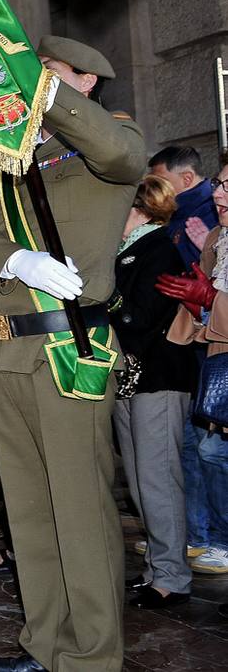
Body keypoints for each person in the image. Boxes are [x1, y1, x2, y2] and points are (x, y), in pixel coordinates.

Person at [0, 35, 144, 672]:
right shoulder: (7, 163)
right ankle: (46, 641)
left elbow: (121, 153)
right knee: (30, 513)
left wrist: (43, 90)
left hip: (71, 349)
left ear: (84, 84)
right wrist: (16, 258)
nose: (26, 81)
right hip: (6, 354)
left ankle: (92, 655)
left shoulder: (106, 142)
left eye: (48, 74)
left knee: (80, 510)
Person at [111, 175, 198, 609]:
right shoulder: (126, 250)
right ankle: (157, 570)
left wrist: (102, 297)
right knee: (140, 479)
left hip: (157, 376)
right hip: (130, 374)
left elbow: (140, 316)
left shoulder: (158, 248)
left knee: (158, 478)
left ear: (140, 209)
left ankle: (173, 577)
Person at [163, 155, 228, 579]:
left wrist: (209, 300)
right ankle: (215, 540)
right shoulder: (217, 239)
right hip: (218, 358)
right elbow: (205, 305)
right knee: (207, 448)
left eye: (226, 187)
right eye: (219, 185)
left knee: (212, 450)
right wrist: (198, 305)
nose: (217, 194)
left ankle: (220, 541)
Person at [149, 145, 217, 271]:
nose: (154, 188)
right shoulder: (174, 209)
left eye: (159, 182)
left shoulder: (213, 212)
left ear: (187, 179)